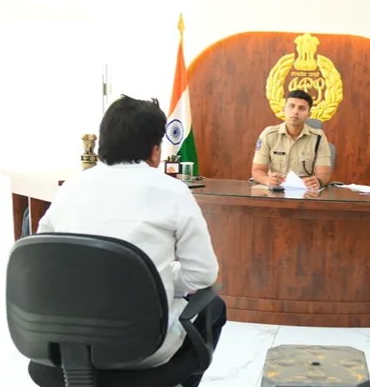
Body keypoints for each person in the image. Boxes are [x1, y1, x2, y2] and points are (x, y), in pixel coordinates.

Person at [38, 95, 225, 387]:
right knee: (215, 307)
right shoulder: (174, 192)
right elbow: (203, 275)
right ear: (155, 151)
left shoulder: (70, 189)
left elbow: (43, 264)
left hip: (62, 350)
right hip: (141, 349)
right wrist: (157, 279)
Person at [251, 89, 333, 190]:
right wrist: (267, 180)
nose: (295, 111)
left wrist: (318, 181)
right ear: (284, 109)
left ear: (309, 114)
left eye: (302, 108)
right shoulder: (268, 135)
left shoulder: (318, 137)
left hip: (305, 192)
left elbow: (324, 173)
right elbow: (257, 170)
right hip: (275, 190)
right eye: (291, 106)